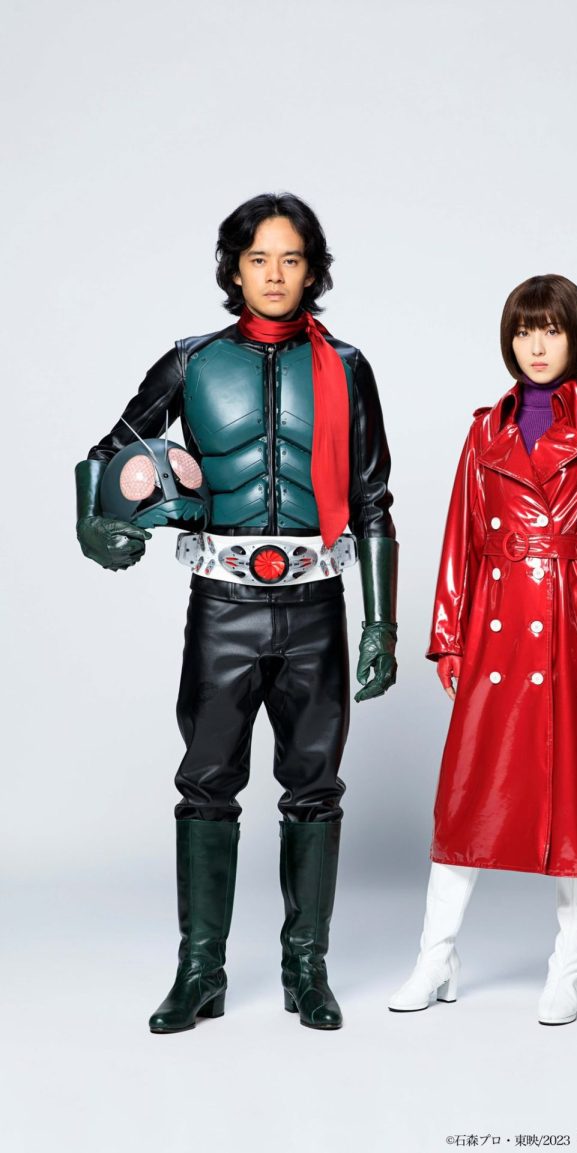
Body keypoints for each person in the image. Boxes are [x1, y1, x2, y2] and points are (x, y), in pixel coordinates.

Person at [75, 192, 398, 1034]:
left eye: (291, 259)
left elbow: (372, 499)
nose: (275, 274)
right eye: (259, 259)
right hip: (223, 603)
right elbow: (109, 455)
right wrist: (94, 524)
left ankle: (306, 971)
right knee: (207, 784)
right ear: (234, 269)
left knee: (314, 789)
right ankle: (199, 972)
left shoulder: (347, 367)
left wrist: (381, 623)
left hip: (316, 605)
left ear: (313, 271)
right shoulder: (190, 363)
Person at [388, 274, 577, 1025]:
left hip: (572, 627)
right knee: (467, 795)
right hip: (494, 626)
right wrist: (447, 635)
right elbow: (461, 537)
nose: (536, 345)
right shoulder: (483, 431)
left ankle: (568, 969)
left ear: (575, 339)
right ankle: (436, 957)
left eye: (551, 330)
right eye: (525, 330)